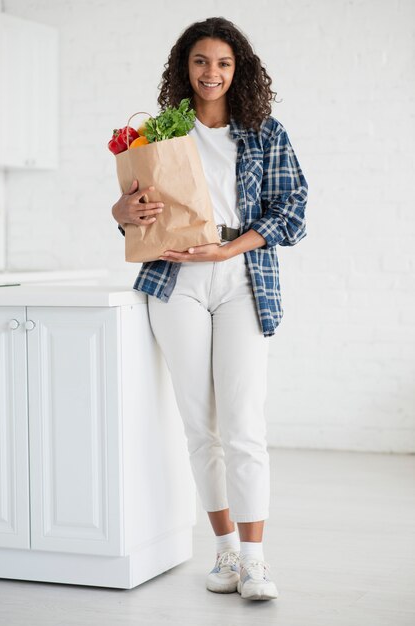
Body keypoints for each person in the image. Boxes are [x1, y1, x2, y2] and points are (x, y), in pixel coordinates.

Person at [112, 16, 307, 601]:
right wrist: (123, 212)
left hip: (242, 277)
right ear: (185, 68)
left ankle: (255, 561)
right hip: (176, 281)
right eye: (201, 62)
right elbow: (132, 207)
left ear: (238, 68)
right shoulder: (162, 132)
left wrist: (229, 246)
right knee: (201, 427)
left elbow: (293, 210)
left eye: (223, 62)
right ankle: (223, 550)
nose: (212, 73)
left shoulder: (265, 133)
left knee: (244, 423)